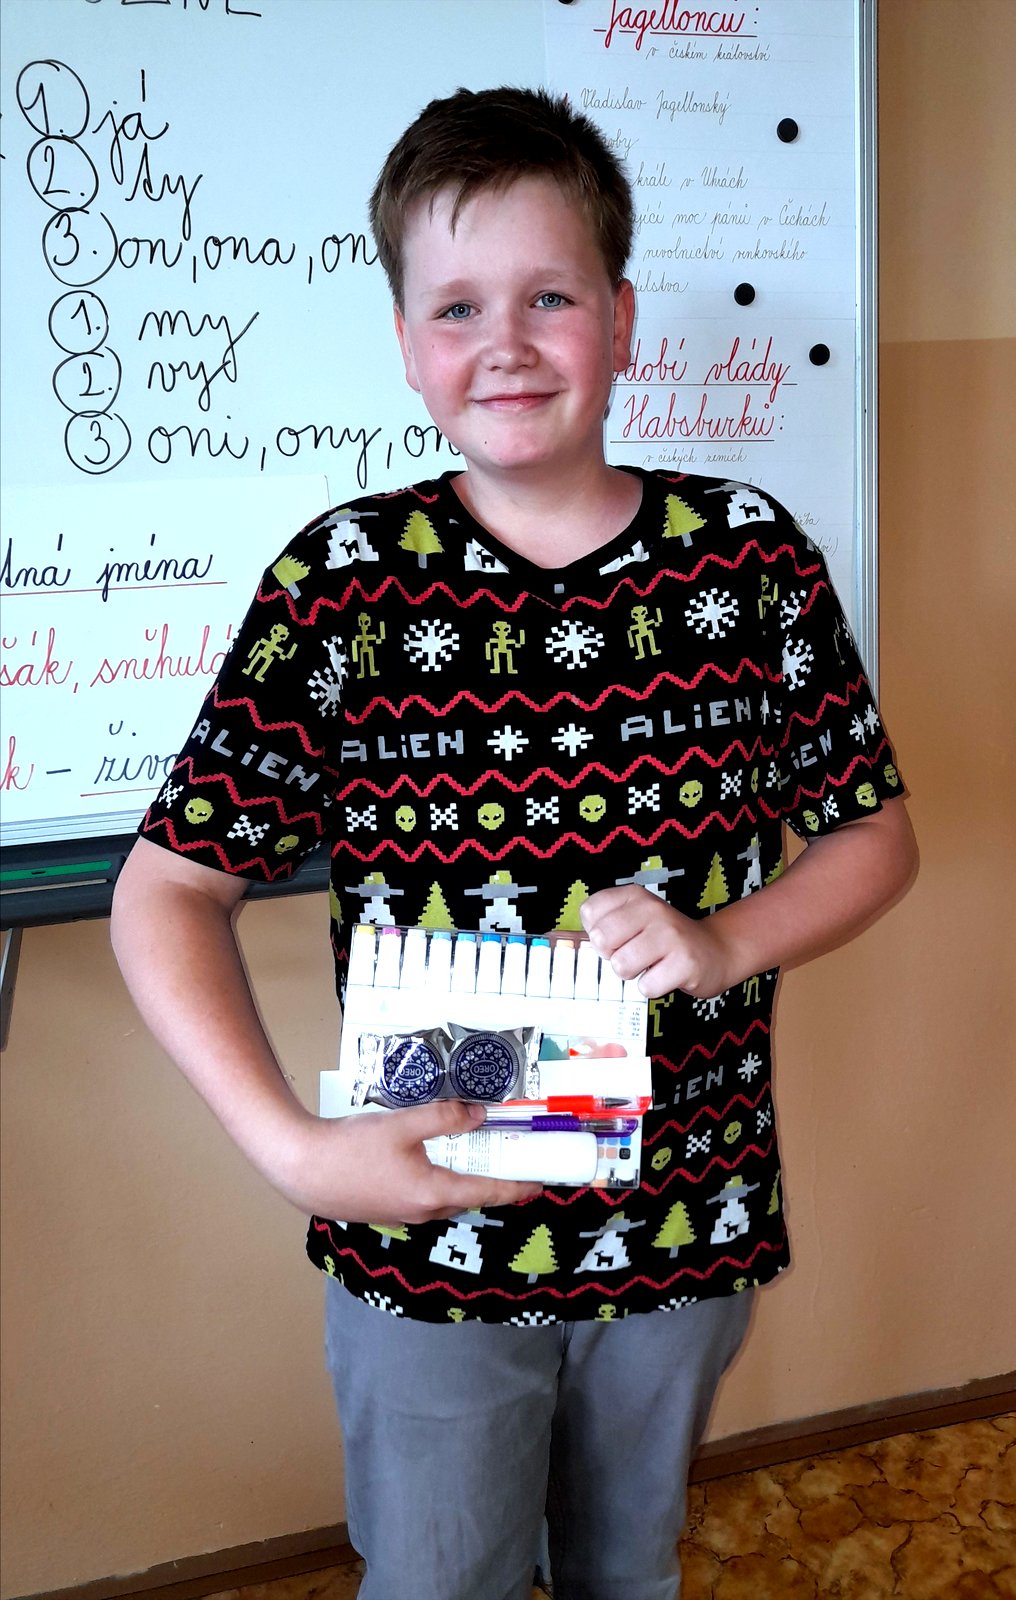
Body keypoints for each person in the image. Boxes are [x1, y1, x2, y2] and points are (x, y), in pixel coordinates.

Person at [111, 86, 917, 1600]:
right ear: (406, 342)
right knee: (440, 1578)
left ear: (620, 318)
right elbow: (165, 890)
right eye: (458, 307)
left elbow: (873, 835)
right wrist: (294, 1153)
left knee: (626, 1567)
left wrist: (729, 940)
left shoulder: (746, 560)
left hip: (682, 1214)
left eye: (551, 296)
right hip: (428, 1233)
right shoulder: (344, 585)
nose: (508, 343)